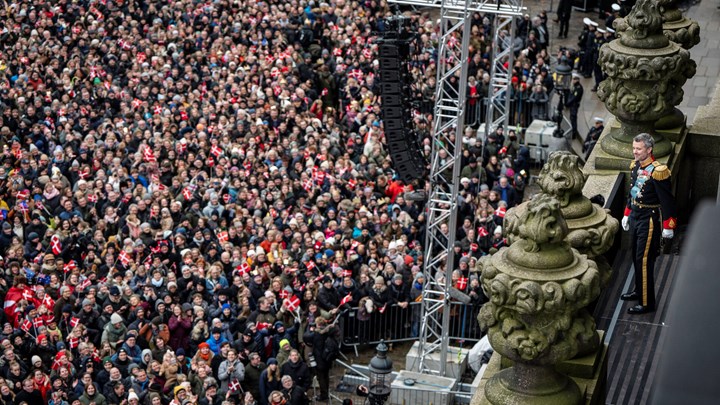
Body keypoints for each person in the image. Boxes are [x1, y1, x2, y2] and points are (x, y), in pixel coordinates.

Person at [620, 134, 677, 314]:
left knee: (644, 260)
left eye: (638, 149)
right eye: (634, 148)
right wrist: (627, 214)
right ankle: (639, 290)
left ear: (649, 150)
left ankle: (647, 303)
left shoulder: (659, 171)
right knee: (636, 257)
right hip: (636, 216)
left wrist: (668, 226)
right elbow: (633, 193)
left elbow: (667, 201)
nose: (634, 152)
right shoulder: (635, 165)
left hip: (649, 220)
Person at [565, 74, 584, 139]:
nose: (573, 80)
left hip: (574, 105)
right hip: (572, 104)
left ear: (577, 80)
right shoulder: (575, 86)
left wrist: (568, 103)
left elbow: (574, 97)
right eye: (573, 79)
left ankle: (574, 133)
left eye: (574, 79)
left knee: (573, 118)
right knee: (572, 118)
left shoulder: (578, 88)